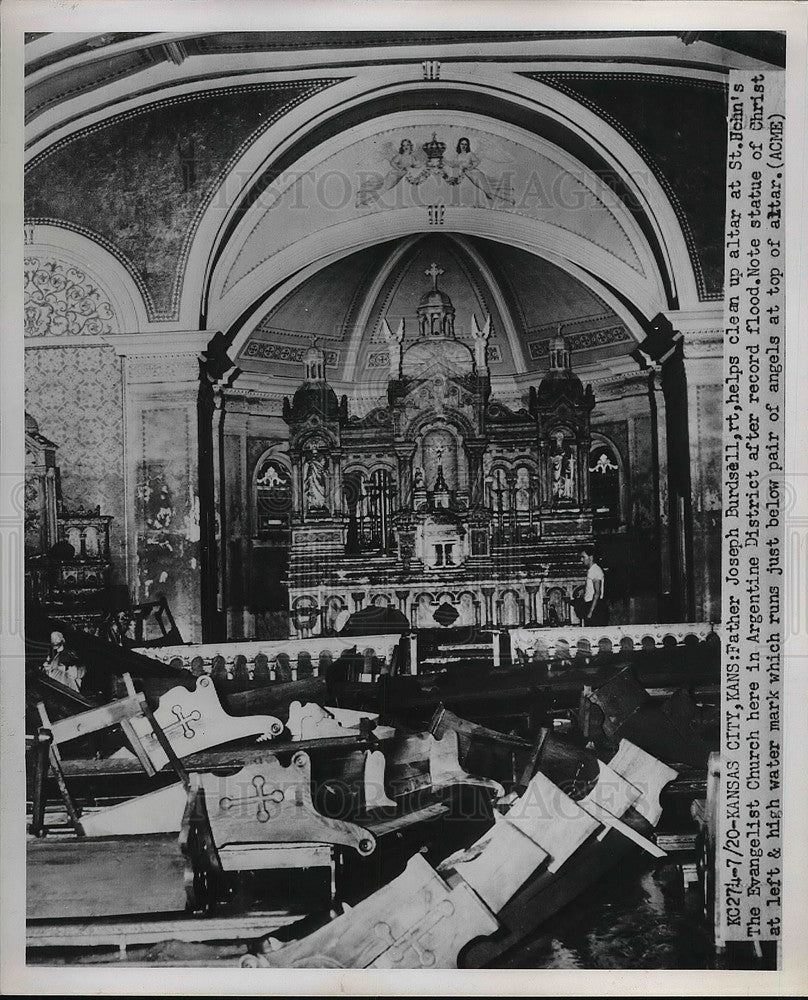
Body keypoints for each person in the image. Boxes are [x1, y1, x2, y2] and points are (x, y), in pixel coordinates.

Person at [576, 546, 608, 626]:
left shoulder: (595, 570)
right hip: (591, 604)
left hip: (595, 606)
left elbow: (597, 593)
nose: (581, 560)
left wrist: (591, 612)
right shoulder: (592, 570)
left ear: (590, 557)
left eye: (583, 557)